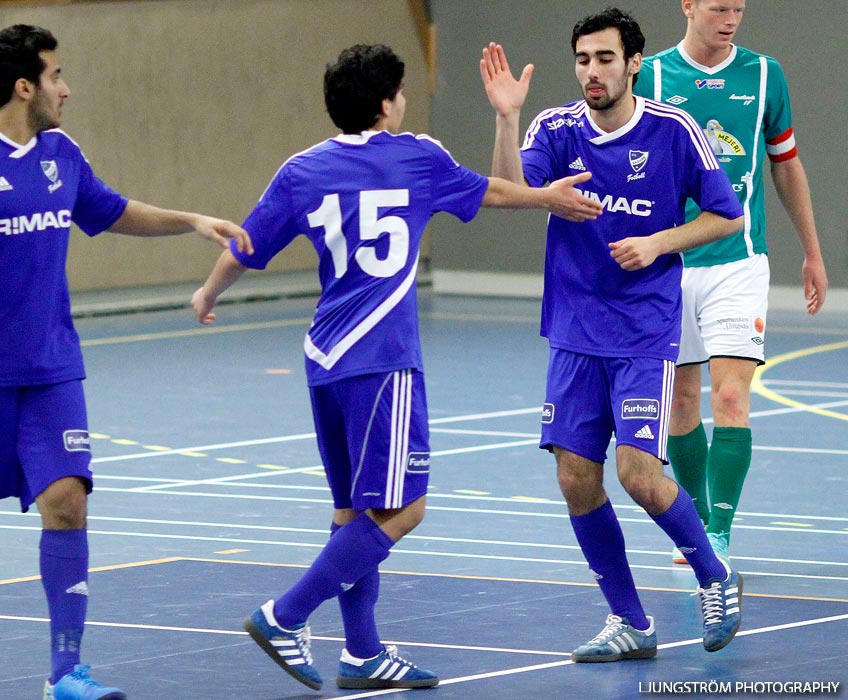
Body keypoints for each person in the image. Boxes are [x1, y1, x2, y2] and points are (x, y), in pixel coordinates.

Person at [191, 43, 609, 691]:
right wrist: (546, 199)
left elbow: (247, 244)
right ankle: (286, 615)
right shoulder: (416, 154)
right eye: (403, 92)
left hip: (324, 358)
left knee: (351, 511)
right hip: (382, 359)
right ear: (387, 105)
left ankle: (362, 654)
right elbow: (493, 191)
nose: (406, 101)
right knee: (404, 508)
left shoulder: (301, 170)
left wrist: (208, 292)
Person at [480, 7, 747, 662]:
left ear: (633, 63)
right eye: (582, 60)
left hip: (642, 328)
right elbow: (504, 193)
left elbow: (727, 217)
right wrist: (508, 118)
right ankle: (630, 621)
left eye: (604, 59)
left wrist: (659, 241)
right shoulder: (556, 128)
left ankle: (715, 573)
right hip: (574, 329)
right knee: (576, 478)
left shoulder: (672, 130)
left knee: (637, 472)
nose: (591, 72)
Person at [0, 24, 252, 700]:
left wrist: (193, 220)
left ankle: (64, 673)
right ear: (25, 86)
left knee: (67, 502)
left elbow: (112, 212)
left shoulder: (60, 155)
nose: (66, 87)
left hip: (51, 370)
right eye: (55, 75)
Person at [632, 0, 828, 564]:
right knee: (682, 402)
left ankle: (719, 531)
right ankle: (693, 522)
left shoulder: (766, 75)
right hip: (672, 262)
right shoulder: (651, 76)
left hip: (740, 263)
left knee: (730, 395)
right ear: (688, 6)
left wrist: (812, 252)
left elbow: (785, 163)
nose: (732, 18)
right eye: (720, 7)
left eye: (739, 9)